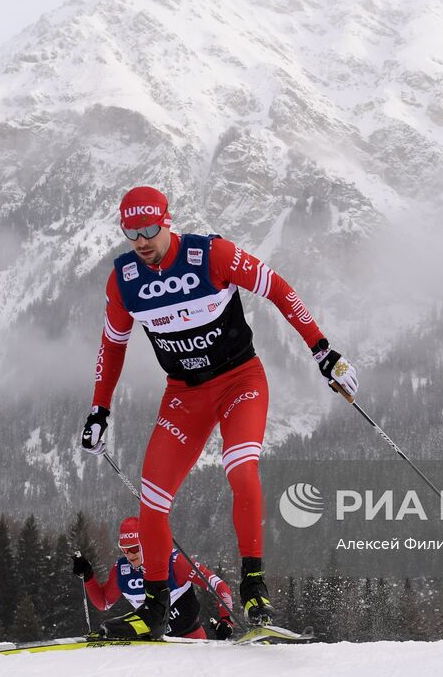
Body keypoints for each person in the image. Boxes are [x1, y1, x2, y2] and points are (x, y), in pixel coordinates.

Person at [81, 186, 358, 638]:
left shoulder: (212, 255)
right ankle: (152, 610)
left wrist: (323, 351)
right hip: (184, 395)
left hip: (239, 382)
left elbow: (280, 290)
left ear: (168, 221)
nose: (142, 239)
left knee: (240, 469)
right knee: (152, 500)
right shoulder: (124, 279)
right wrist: (99, 410)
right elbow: (112, 346)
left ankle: (253, 585)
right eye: (131, 232)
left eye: (150, 228)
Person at [73, 516, 236, 639]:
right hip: (153, 645)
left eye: (135, 548)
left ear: (146, 543)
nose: (130, 555)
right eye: (124, 550)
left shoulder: (175, 562)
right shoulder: (121, 570)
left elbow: (219, 586)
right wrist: (88, 576)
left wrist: (226, 620)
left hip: (190, 638)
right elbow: (103, 603)